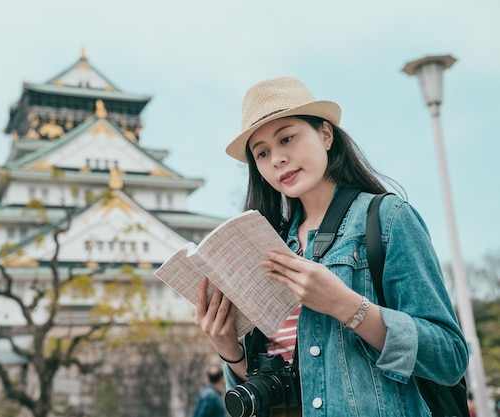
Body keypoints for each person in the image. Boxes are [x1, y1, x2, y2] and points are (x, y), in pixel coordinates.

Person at [194, 77, 469, 416]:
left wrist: (348, 306)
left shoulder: (388, 219)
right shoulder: (268, 249)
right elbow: (274, 392)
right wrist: (229, 351)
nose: (277, 159)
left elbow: (450, 357)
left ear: (325, 134)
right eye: (262, 152)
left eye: (287, 138)